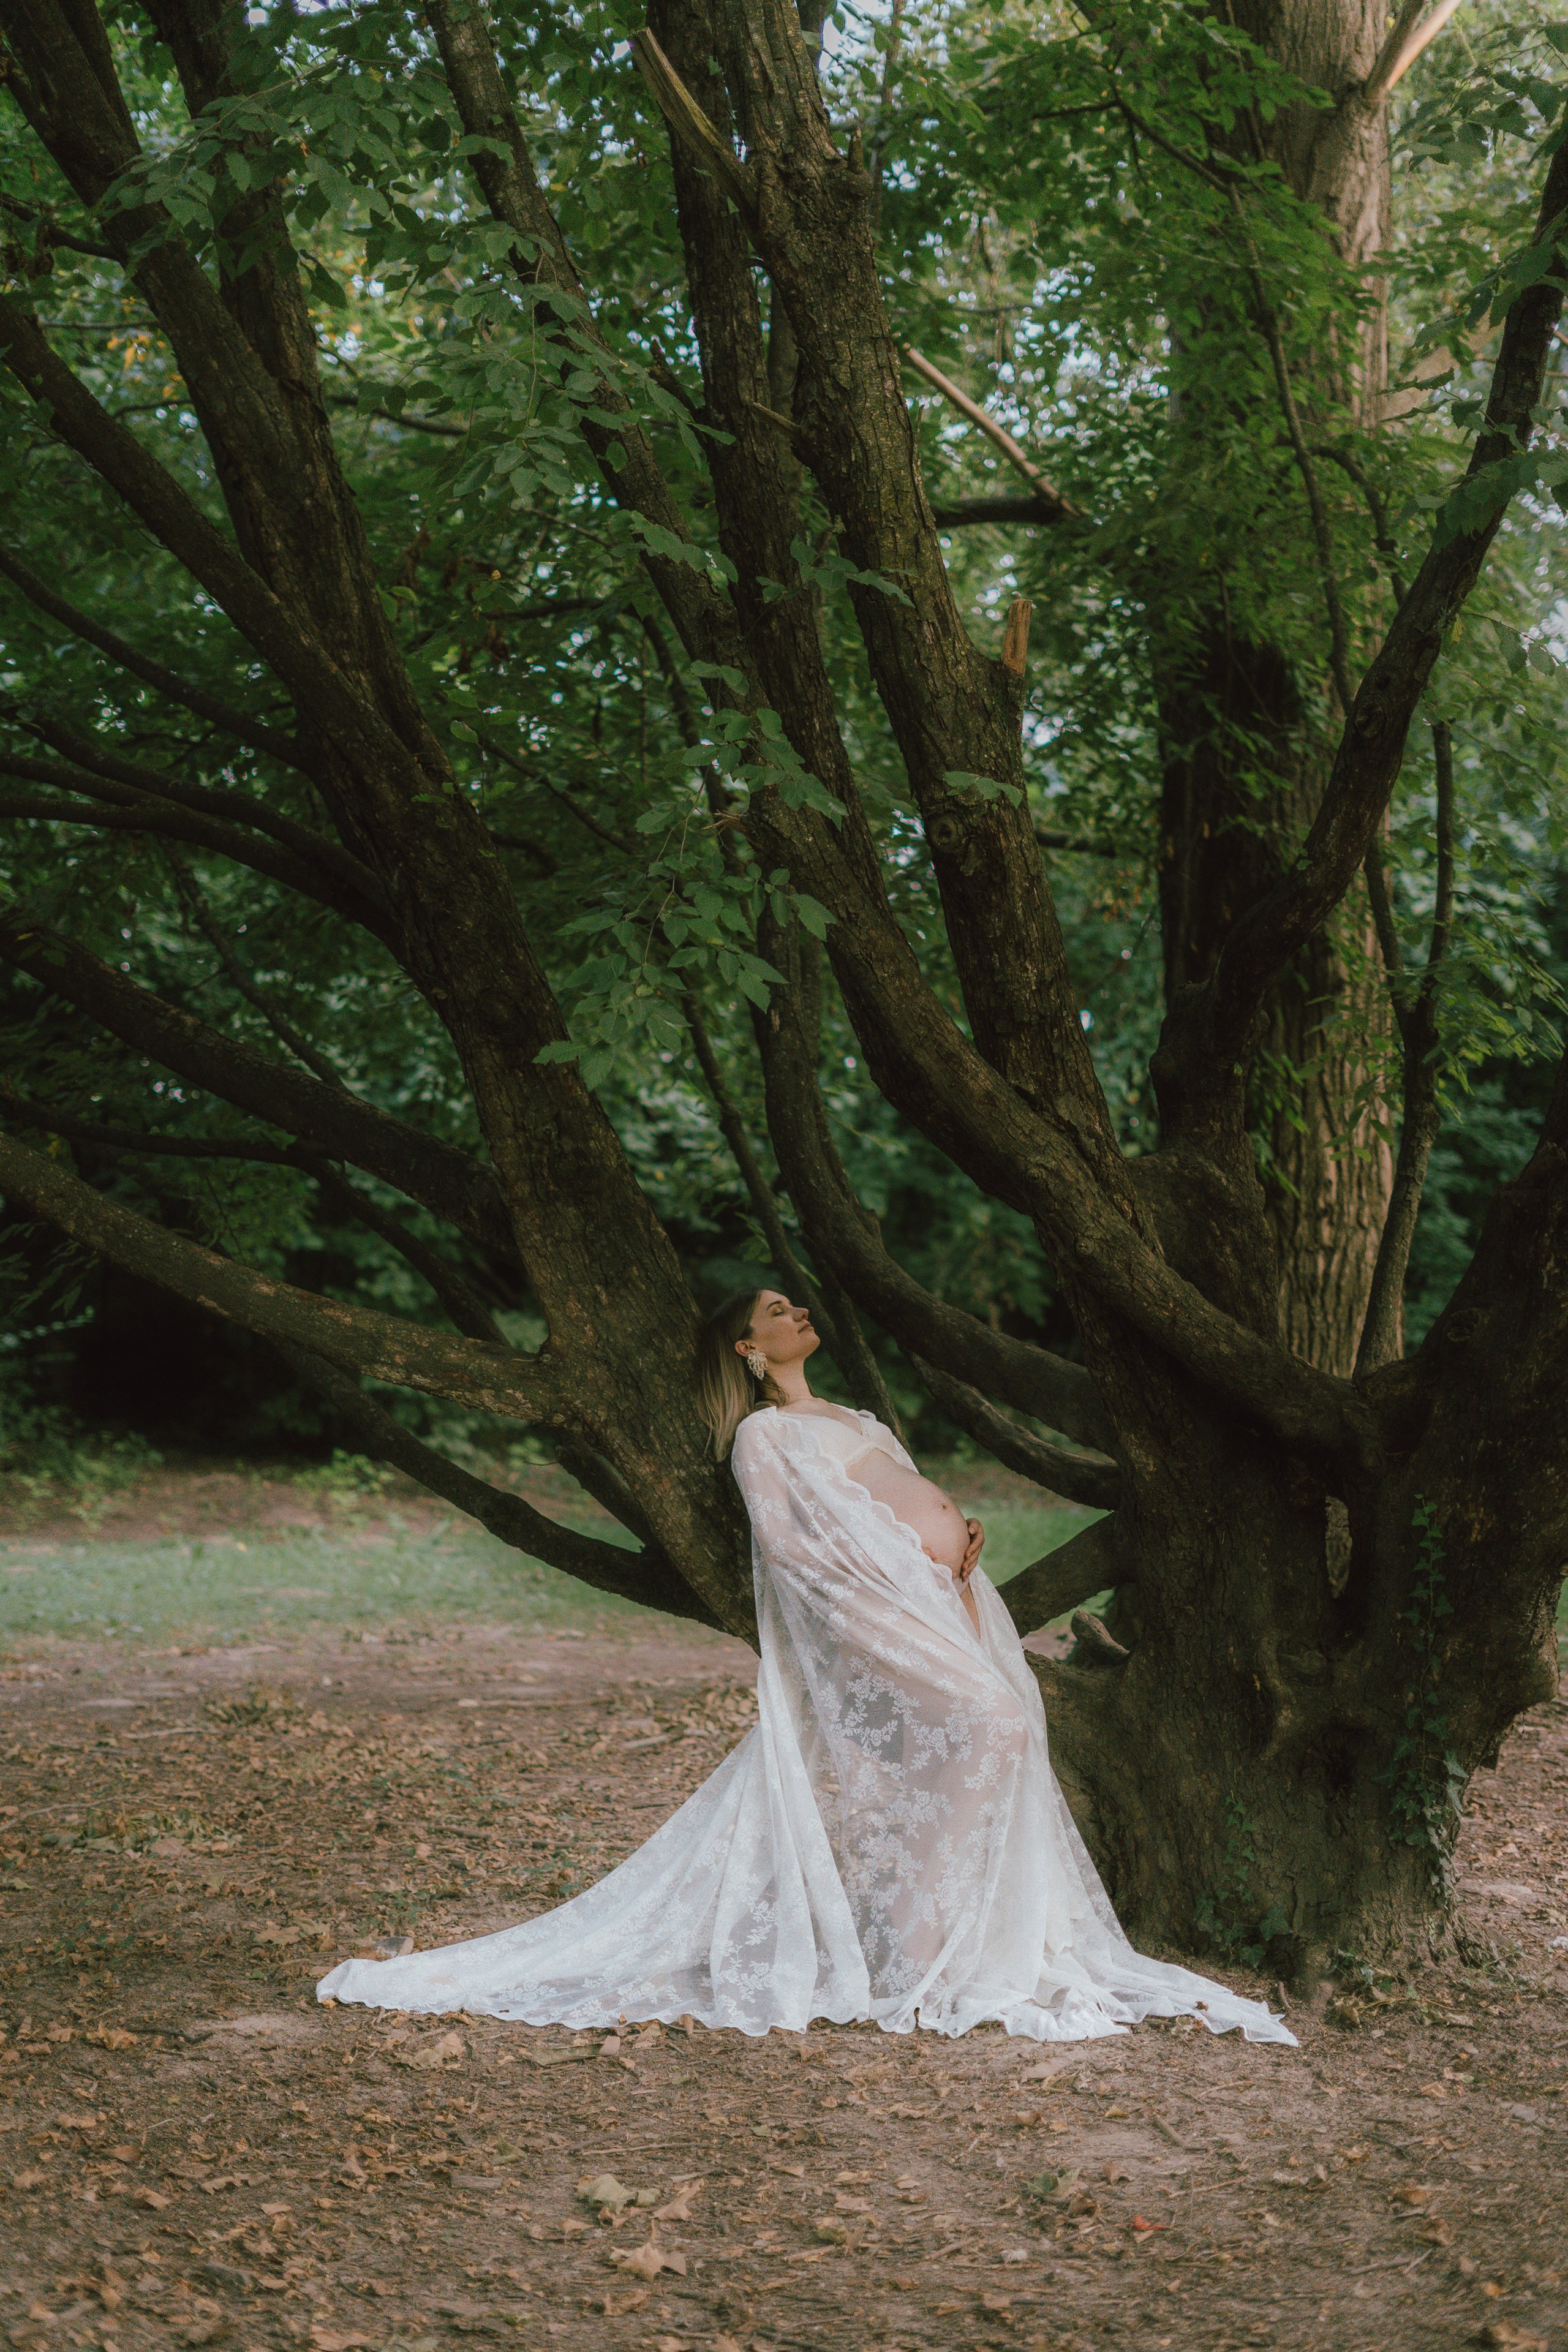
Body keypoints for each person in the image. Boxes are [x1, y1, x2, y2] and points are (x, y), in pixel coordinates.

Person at [317, 1289, 1295, 2049]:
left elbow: (901, 1489)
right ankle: (920, 1951)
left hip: (955, 1599)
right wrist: (901, 1570)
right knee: (986, 1733)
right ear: (749, 1350)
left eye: (795, 1304)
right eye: (774, 1312)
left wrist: (956, 1541)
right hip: (884, 1615)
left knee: (995, 1745)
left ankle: (942, 1942)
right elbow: (790, 1552)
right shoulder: (763, 1435)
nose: (796, 1314)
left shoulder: (861, 1418)